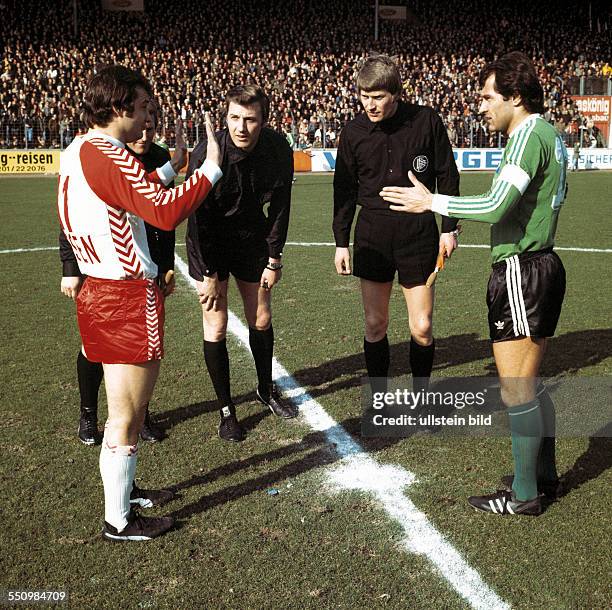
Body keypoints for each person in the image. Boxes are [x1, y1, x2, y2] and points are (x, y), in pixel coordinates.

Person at [381, 51, 567, 516]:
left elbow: (495, 205)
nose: (480, 106)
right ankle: (542, 476)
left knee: (516, 389)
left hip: (522, 271)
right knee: (530, 382)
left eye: (487, 97)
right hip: (540, 267)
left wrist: (433, 204)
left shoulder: (528, 136)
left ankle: (525, 494)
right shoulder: (549, 135)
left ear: (516, 96)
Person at [58, 65, 221, 540]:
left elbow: (120, 196)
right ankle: (120, 521)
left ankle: (123, 497)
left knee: (121, 412)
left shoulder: (78, 149)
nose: (150, 117)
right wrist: (211, 166)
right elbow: (164, 210)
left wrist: (174, 169)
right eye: (145, 107)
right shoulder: (110, 152)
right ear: (118, 105)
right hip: (125, 293)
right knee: (127, 415)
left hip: (98, 289)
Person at [332, 55, 460, 407]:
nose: (369, 104)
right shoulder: (353, 132)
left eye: (378, 97)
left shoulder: (426, 121)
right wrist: (341, 242)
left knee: (421, 327)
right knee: (375, 324)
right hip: (372, 233)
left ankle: (421, 397)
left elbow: (448, 175)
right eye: (364, 96)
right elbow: (343, 189)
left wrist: (449, 229)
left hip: (418, 232)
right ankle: (378, 400)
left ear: (396, 94)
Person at [186, 84, 297, 443]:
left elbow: (280, 207)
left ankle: (266, 389)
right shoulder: (208, 150)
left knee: (261, 318)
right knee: (216, 326)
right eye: (235, 118)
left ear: (264, 120)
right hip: (211, 242)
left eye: (250, 119)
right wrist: (206, 273)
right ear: (226, 118)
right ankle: (226, 412)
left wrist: (274, 257)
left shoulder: (278, 148)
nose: (241, 127)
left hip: (252, 240)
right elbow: (197, 217)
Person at [60, 105, 175, 445]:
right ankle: (87, 413)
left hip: (141, 272)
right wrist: (71, 267)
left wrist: (166, 265)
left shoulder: (149, 156)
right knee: (97, 356)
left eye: (150, 128)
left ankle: (140, 418)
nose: (144, 133)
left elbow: (149, 206)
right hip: (111, 280)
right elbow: (73, 215)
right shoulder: (105, 154)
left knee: (129, 387)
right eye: (140, 125)